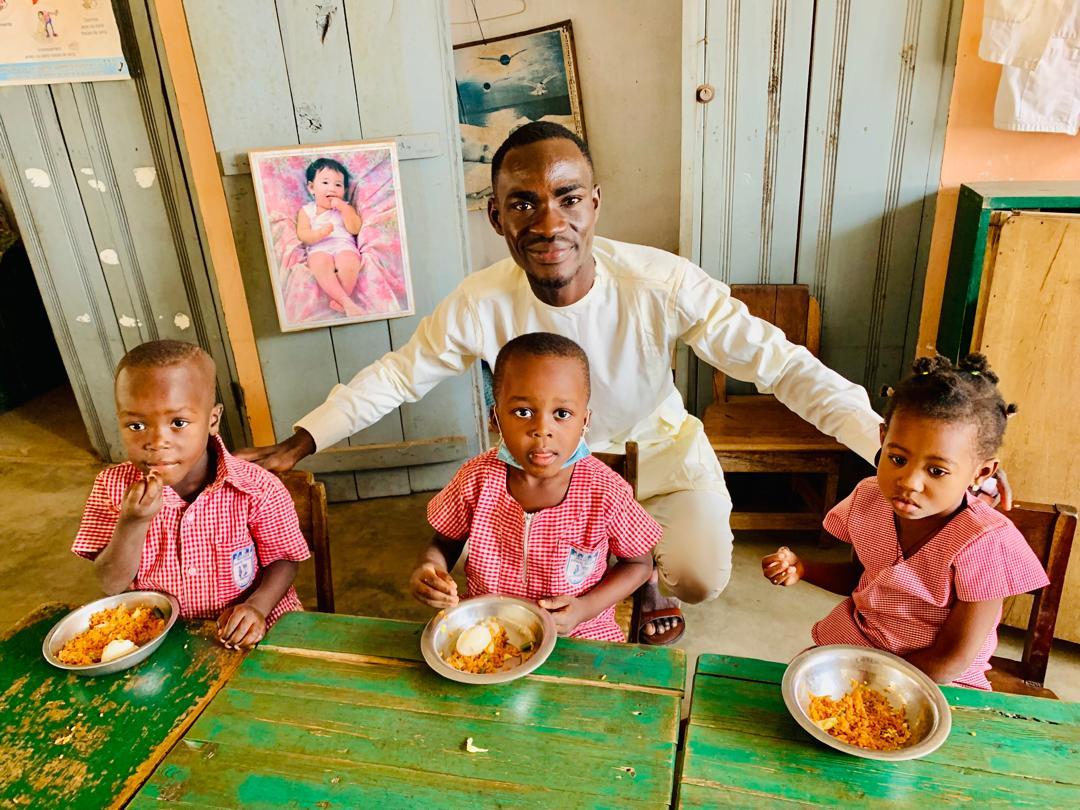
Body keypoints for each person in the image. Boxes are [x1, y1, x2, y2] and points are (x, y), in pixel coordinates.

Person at [236, 122, 939, 645]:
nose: (549, 223)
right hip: (543, 473)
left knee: (699, 577)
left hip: (658, 459)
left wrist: (883, 445)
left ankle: (642, 572)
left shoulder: (661, 281)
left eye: (568, 198)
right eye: (523, 204)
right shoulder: (481, 300)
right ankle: (615, 579)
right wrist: (301, 441)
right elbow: (398, 374)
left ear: (595, 204)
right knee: (521, 597)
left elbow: (779, 363)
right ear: (496, 216)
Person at [762, 354, 1047, 689]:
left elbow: (951, 660)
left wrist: (870, 686)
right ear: (882, 438)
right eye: (898, 459)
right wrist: (804, 568)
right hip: (859, 652)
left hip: (936, 682)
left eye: (936, 470)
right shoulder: (870, 499)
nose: (909, 482)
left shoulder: (985, 543)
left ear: (981, 472)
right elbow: (864, 577)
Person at [410, 333, 659, 640]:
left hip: (578, 632)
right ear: (495, 418)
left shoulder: (605, 491)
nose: (542, 430)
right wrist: (429, 568)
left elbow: (639, 563)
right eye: (523, 412)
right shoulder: (475, 479)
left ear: (585, 420)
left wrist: (585, 608)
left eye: (562, 414)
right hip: (489, 629)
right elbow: (444, 543)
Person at [72, 340, 311, 649]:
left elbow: (284, 560)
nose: (157, 441)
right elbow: (110, 583)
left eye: (178, 423)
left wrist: (257, 607)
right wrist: (132, 522)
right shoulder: (112, 487)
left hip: (252, 627)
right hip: (160, 636)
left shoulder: (257, 487)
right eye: (136, 425)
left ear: (212, 420)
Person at [296, 157, 365, 318]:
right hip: (319, 247)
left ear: (344, 191)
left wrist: (343, 208)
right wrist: (319, 234)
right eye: (325, 183)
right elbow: (303, 234)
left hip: (344, 245)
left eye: (338, 185)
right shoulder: (307, 211)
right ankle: (346, 302)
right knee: (319, 263)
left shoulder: (346, 208)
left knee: (349, 262)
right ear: (312, 188)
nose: (332, 189)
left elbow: (355, 228)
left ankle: (343, 299)